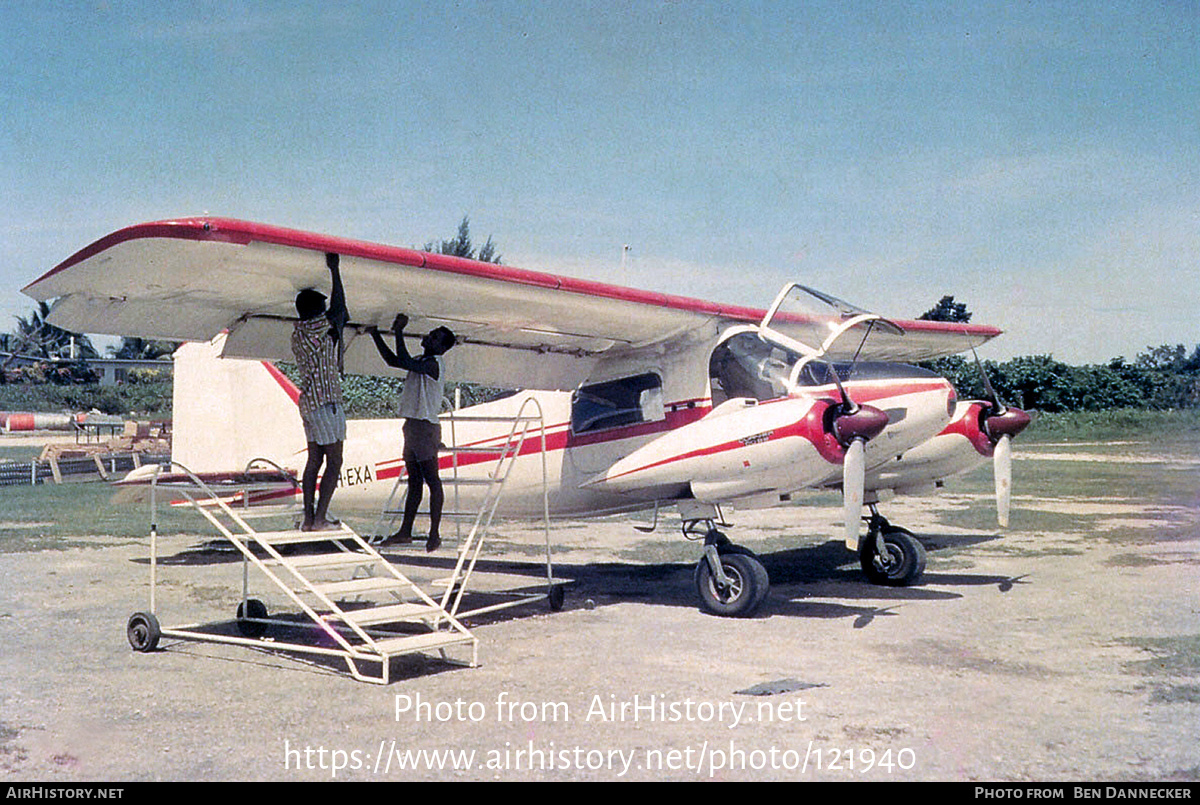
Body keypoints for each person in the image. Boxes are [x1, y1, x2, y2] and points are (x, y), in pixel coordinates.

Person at [369, 313, 456, 551]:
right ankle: (406, 531)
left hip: (424, 427)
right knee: (416, 481)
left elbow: (404, 361)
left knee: (431, 480)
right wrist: (376, 335)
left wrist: (398, 331)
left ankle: (434, 532)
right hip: (414, 426)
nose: (428, 337)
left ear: (441, 346)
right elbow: (394, 361)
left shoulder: (433, 363)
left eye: (434, 337)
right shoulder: (424, 360)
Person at [291, 252, 349, 532]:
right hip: (326, 403)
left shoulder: (298, 332)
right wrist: (335, 271)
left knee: (315, 460)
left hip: (311, 403)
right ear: (316, 311)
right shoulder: (316, 326)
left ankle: (309, 517)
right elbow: (340, 310)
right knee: (335, 461)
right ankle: (319, 518)